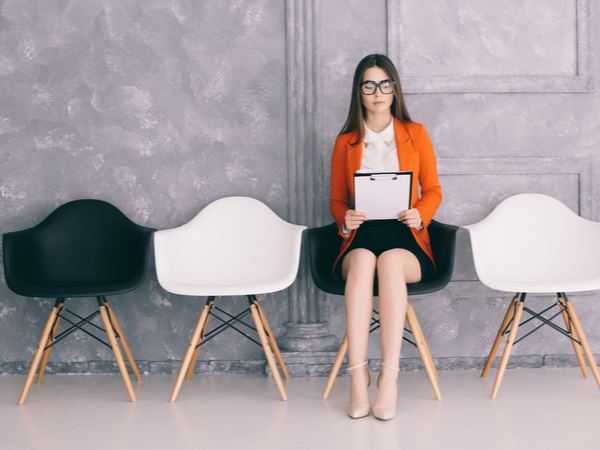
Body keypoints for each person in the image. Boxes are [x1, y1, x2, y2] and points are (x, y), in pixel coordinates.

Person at [329, 54, 442, 420]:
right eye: (369, 85)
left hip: (405, 235)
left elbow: (434, 190)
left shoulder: (416, 133)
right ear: (358, 93)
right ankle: (357, 374)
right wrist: (344, 218)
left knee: (391, 262)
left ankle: (389, 377)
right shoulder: (345, 141)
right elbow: (336, 198)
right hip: (361, 233)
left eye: (384, 84)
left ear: (394, 89)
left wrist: (419, 213)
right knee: (363, 260)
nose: (378, 92)